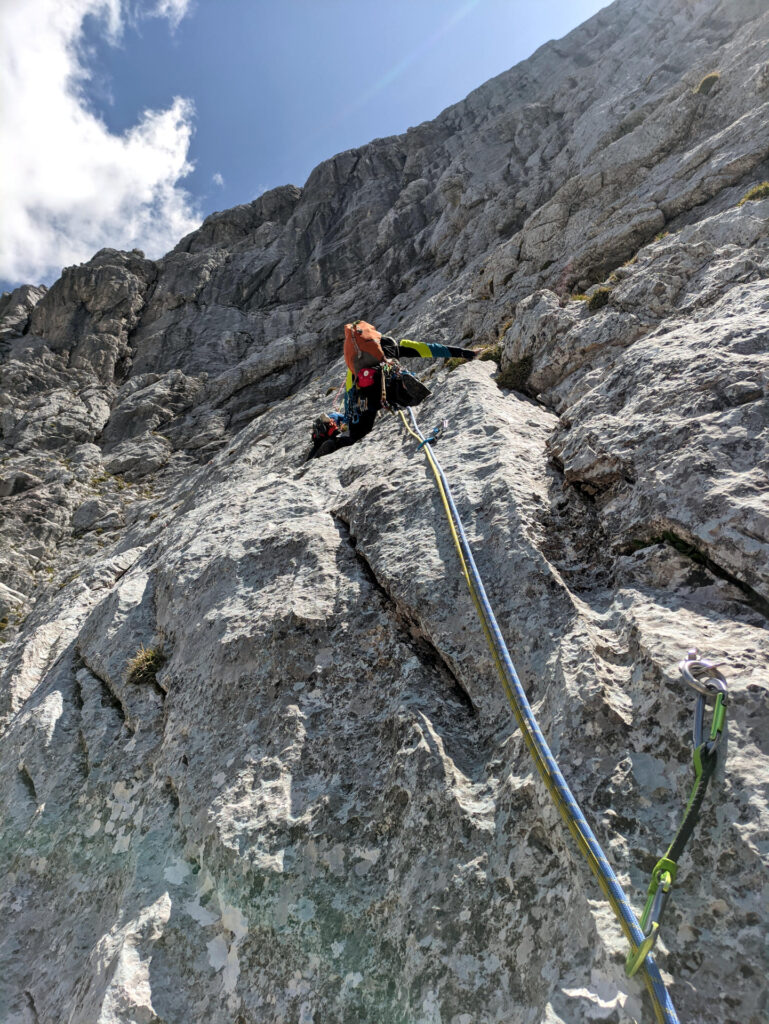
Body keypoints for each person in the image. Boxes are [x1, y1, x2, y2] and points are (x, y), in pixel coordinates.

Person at [307, 320, 476, 460]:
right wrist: (466, 353)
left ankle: (335, 445)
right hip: (388, 382)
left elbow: (350, 395)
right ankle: (405, 390)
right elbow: (428, 348)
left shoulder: (355, 367)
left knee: (356, 436)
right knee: (396, 381)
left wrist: (350, 418)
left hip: (364, 396)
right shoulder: (392, 344)